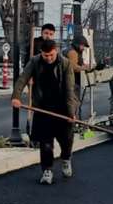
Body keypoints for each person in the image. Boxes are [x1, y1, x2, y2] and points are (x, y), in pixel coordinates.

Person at [11, 38, 78, 184]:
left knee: (66, 140)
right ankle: (47, 170)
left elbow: (69, 91)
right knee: (45, 143)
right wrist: (16, 96)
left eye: (51, 55)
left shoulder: (65, 64)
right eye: (45, 55)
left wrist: (71, 112)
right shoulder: (35, 61)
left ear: (56, 51)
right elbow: (22, 79)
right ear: (41, 53)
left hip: (62, 107)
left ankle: (66, 158)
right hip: (42, 107)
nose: (48, 58)